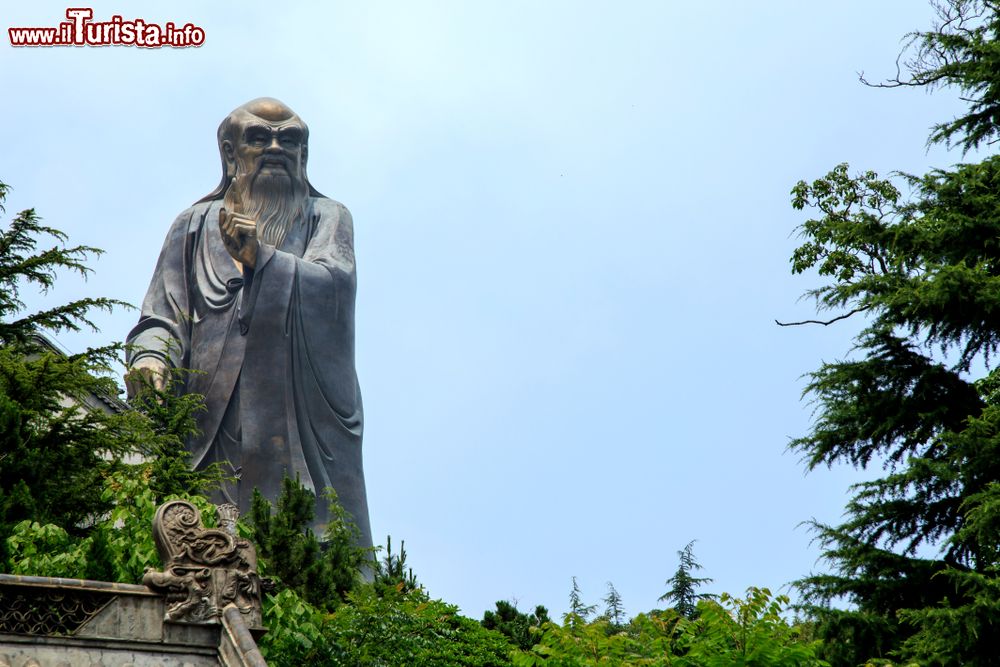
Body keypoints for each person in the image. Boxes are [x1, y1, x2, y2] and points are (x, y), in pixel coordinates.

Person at [126, 98, 371, 547]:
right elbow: (164, 314)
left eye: (289, 139)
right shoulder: (194, 225)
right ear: (229, 152)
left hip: (295, 415)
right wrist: (150, 357)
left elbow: (335, 286)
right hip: (214, 416)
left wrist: (264, 259)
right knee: (209, 539)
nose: (276, 148)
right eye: (259, 138)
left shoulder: (326, 216)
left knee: (304, 543)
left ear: (304, 154)